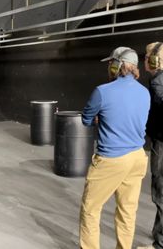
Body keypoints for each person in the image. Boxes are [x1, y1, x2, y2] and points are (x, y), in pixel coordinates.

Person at [79, 47, 150, 249]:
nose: (109, 67)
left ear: (117, 65)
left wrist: (99, 119)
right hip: (137, 157)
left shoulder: (102, 91)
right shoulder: (144, 92)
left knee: (91, 210)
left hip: (111, 159)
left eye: (111, 63)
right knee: (127, 211)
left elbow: (86, 119)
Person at [137, 42, 163, 249]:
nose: (144, 61)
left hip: (162, 143)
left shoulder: (158, 84)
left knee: (160, 190)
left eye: (147, 58)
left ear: (155, 61)